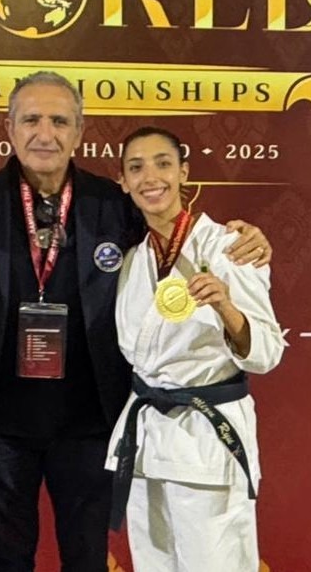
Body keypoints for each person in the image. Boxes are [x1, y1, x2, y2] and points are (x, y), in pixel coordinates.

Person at [0, 72, 273, 572]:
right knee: (8, 556)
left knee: (86, 557)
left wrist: (245, 237)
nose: (46, 133)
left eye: (60, 121)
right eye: (32, 120)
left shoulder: (114, 204)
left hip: (91, 419)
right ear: (9, 128)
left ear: (79, 131)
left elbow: (172, 230)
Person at [106, 126, 284, 572]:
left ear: (184, 172)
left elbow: (266, 352)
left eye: (163, 164)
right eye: (136, 168)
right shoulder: (131, 260)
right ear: (123, 182)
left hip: (206, 439)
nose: (151, 177)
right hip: (145, 439)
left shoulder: (229, 247)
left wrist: (225, 305)